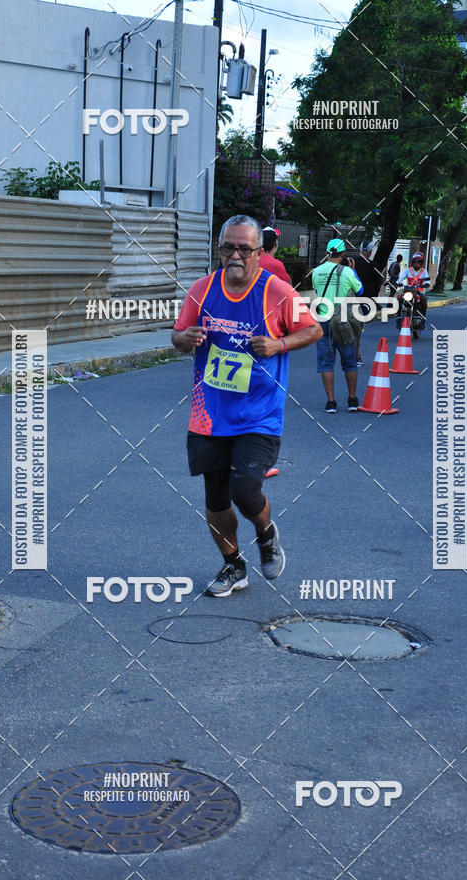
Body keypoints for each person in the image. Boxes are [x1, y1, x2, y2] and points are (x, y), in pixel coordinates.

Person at [171, 214, 322, 598]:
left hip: (259, 413)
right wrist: (184, 338)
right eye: (228, 247)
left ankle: (266, 534)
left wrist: (278, 344)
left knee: (245, 490)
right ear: (219, 249)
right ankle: (233, 565)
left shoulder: (277, 292)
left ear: (258, 251)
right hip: (209, 414)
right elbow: (177, 337)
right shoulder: (202, 290)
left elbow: (314, 330)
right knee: (216, 500)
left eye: (244, 248)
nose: (235, 254)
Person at [311, 238, 364, 412]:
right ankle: (352, 400)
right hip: (343, 320)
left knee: (326, 362)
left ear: (328, 253)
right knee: (349, 361)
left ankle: (331, 402)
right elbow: (360, 290)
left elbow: (318, 292)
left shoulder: (316, 271)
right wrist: (353, 271)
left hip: (323, 320)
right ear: (342, 254)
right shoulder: (347, 271)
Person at [353, 240, 386, 365]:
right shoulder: (373, 265)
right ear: (371, 251)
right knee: (358, 330)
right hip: (365, 301)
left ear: (360, 250)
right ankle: (356, 355)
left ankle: (350, 354)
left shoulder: (352, 262)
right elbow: (380, 282)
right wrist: (384, 274)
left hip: (349, 299)